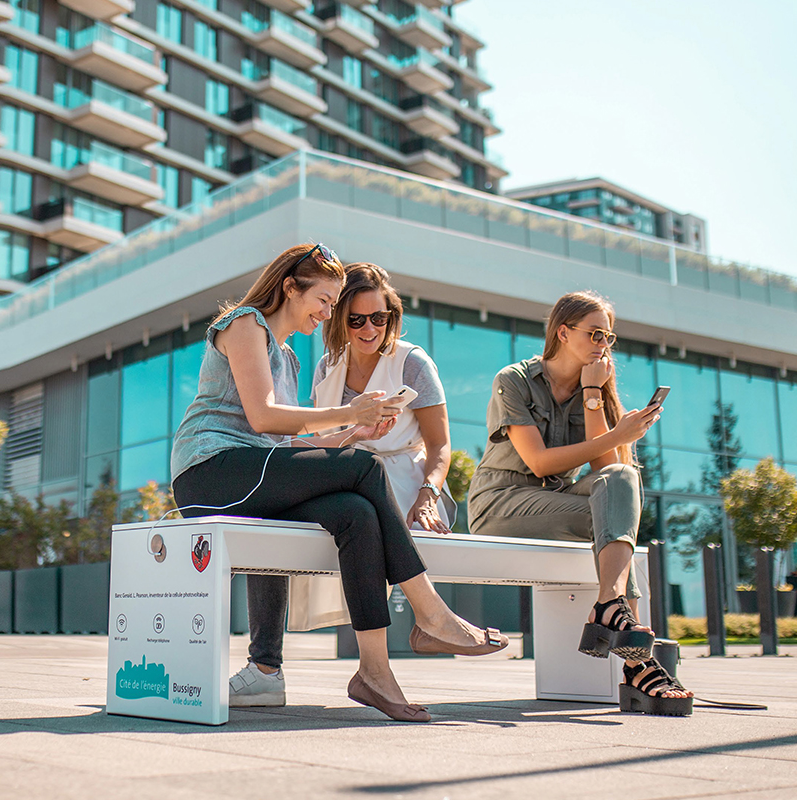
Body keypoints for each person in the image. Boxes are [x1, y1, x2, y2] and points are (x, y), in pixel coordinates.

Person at [170, 243, 508, 723]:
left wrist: (353, 432)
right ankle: (431, 614)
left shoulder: (288, 359)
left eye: (333, 304)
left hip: (255, 471)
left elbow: (283, 446)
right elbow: (262, 416)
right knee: (365, 468)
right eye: (325, 301)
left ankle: (373, 671)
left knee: (357, 511)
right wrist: (350, 414)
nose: (328, 313)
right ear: (290, 287)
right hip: (210, 471)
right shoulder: (244, 324)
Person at [468, 290, 693, 716]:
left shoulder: (595, 387)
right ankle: (642, 668)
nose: (603, 344)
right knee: (616, 528)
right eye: (594, 333)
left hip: (555, 503)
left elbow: (610, 473)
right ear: (563, 331)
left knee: (623, 482)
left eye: (609, 337)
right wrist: (617, 435)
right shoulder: (513, 380)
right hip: (501, 502)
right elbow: (537, 462)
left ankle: (611, 605)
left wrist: (593, 396)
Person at [287, 262, 457, 631]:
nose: (369, 329)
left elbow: (440, 445)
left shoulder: (412, 363)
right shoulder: (327, 366)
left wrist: (428, 494)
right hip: (348, 475)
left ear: (391, 316)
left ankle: (425, 624)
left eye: (378, 318)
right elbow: (321, 443)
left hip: (407, 481)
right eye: (356, 320)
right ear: (337, 319)